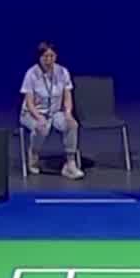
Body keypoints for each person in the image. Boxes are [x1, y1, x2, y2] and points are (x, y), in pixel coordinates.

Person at [19, 42, 82, 179]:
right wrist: (39, 117)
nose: (48, 60)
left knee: (72, 125)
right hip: (32, 113)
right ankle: (34, 154)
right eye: (45, 56)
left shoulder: (62, 72)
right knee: (42, 127)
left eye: (51, 56)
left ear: (56, 56)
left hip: (54, 112)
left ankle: (70, 163)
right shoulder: (31, 74)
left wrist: (68, 113)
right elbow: (29, 103)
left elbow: (67, 96)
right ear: (39, 57)